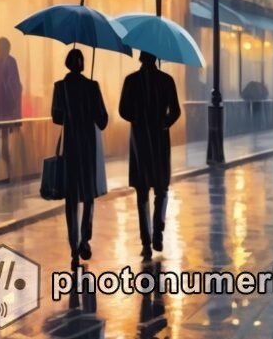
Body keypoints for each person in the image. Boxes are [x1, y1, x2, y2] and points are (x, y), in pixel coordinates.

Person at [119, 51, 182, 261]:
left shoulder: (131, 81)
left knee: (142, 193)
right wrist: (163, 124)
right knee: (161, 188)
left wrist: (138, 119)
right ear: (156, 58)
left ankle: (146, 242)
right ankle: (158, 233)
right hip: (160, 140)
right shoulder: (166, 80)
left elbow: (123, 110)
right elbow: (175, 111)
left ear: (140, 59)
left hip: (139, 141)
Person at [51, 49, 108, 269]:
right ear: (83, 64)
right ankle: (85, 239)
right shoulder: (92, 87)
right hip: (88, 149)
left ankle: (73, 248)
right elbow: (102, 121)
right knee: (89, 196)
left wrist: (69, 111)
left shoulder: (60, 87)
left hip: (70, 149)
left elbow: (57, 117)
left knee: (71, 200)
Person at [0, 37, 21, 179]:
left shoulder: (11, 61)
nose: (3, 50)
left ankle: (6, 168)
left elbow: (16, 82)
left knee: (5, 134)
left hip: (8, 104)